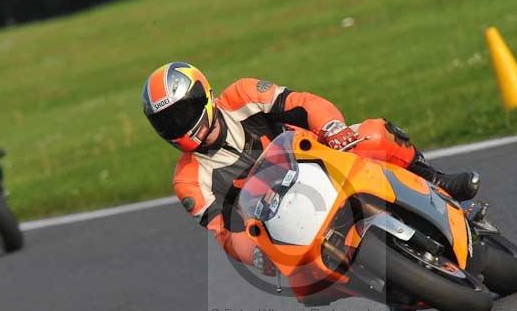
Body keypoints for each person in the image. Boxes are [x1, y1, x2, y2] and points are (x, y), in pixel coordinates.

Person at [141, 61, 479, 273]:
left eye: (183, 113)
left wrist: (331, 128)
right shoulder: (188, 179)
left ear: (205, 96)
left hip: (320, 160)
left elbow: (303, 103)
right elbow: (226, 233)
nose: (180, 125)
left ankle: (436, 180)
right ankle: (386, 285)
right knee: (298, 279)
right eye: (168, 122)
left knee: (375, 133)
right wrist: (254, 255)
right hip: (285, 225)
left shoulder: (242, 95)